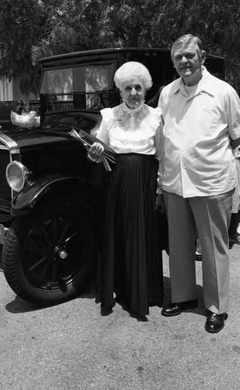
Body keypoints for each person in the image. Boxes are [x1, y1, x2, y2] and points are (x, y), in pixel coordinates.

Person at [157, 34, 240, 333]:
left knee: (213, 247)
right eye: (178, 57)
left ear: (202, 56)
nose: (183, 61)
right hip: (175, 183)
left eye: (189, 55)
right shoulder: (167, 93)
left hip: (212, 183)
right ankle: (183, 297)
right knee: (178, 245)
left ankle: (216, 307)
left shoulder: (223, 92)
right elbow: (162, 133)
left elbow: (237, 138)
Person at [88, 61, 164, 319]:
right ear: (120, 91)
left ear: (145, 90)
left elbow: (162, 155)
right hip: (116, 182)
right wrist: (95, 153)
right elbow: (99, 151)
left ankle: (144, 292)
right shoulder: (109, 115)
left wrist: (160, 188)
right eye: (128, 88)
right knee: (118, 233)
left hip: (144, 183)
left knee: (141, 234)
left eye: (138, 87)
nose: (134, 92)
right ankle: (119, 287)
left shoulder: (156, 116)